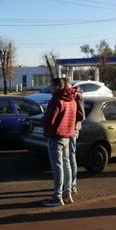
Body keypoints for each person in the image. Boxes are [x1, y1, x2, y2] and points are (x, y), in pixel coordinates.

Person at [41, 77, 77, 207]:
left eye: (51, 87)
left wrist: (43, 119)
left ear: (56, 87)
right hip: (67, 136)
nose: (50, 89)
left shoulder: (56, 100)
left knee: (57, 167)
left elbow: (49, 120)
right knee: (66, 165)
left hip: (55, 136)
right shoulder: (72, 100)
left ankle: (57, 197)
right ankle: (67, 193)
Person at [66, 78, 85, 195]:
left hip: (72, 129)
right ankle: (68, 184)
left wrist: (69, 119)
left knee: (71, 157)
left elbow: (81, 116)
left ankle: (72, 185)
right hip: (69, 129)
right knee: (68, 157)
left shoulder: (77, 96)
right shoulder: (72, 95)